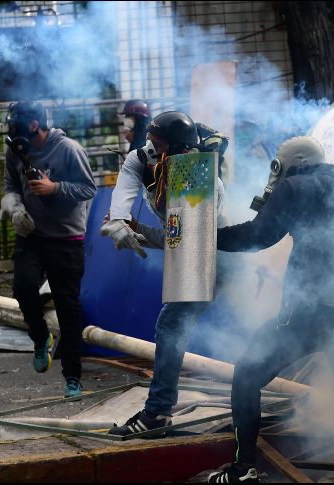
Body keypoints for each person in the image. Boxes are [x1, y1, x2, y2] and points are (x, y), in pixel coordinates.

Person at [207, 136, 334, 483]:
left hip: (306, 315)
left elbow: (257, 236)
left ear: (284, 164)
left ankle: (242, 470)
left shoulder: (295, 187)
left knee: (246, 376)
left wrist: (208, 237)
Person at [101, 111, 229, 436]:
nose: (149, 150)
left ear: (180, 151)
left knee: (171, 325)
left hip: (215, 257)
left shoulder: (200, 181)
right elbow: (124, 189)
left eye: (158, 145)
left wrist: (139, 231)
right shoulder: (144, 159)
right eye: (150, 141)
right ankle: (159, 411)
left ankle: (157, 413)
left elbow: (183, 241)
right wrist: (119, 221)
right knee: (172, 325)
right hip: (190, 249)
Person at [0, 101, 97, 398]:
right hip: (31, 236)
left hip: (66, 240)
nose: (11, 129)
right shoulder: (16, 150)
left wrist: (55, 189)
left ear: (33, 125)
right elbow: (10, 186)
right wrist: (15, 208)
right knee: (23, 288)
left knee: (68, 307)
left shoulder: (68, 149)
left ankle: (73, 377)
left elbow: (88, 188)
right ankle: (40, 337)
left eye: (16, 124)